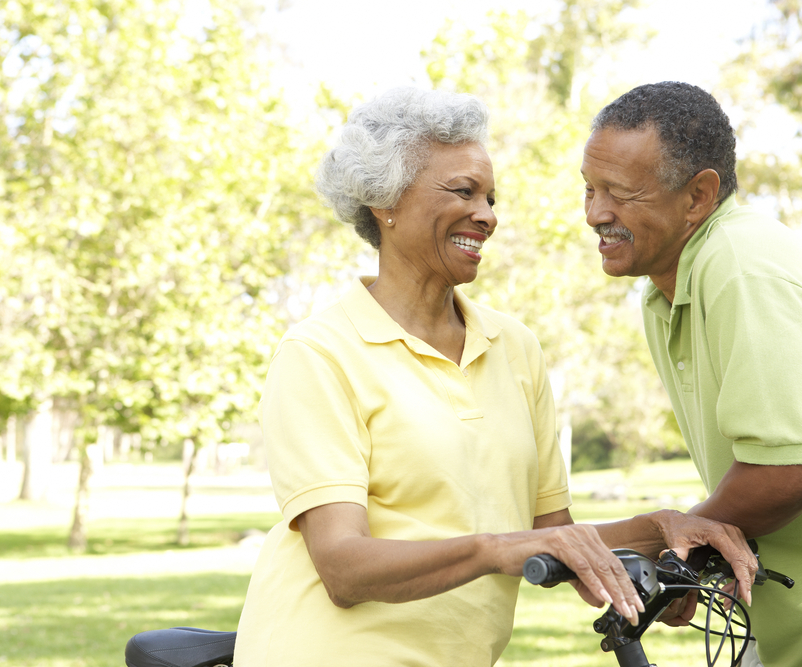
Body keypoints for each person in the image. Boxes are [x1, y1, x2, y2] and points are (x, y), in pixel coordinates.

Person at [233, 87, 756, 667]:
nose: (487, 216)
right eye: (463, 192)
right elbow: (343, 568)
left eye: (489, 197)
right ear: (386, 200)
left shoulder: (514, 347)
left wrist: (664, 530)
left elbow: (553, 534)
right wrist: (496, 549)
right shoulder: (320, 353)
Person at [581, 81, 802, 667]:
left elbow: (795, 467)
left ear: (698, 196)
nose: (594, 214)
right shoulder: (663, 294)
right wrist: (692, 543)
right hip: (800, 618)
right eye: (589, 189)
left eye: (620, 193)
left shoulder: (740, 265)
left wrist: (684, 540)